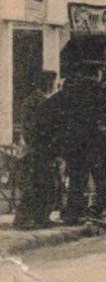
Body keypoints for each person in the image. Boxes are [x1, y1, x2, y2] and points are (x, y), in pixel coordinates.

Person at [57, 63, 106, 224]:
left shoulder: (69, 91)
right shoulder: (99, 90)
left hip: (75, 142)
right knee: (102, 177)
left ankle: (73, 211)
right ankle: (98, 209)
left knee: (77, 178)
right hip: (97, 141)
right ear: (97, 74)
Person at [14, 70, 63, 229]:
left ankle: (40, 217)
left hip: (43, 149)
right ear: (48, 83)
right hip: (39, 150)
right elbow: (31, 129)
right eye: (54, 83)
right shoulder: (36, 102)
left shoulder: (39, 100)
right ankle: (26, 219)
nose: (56, 86)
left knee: (45, 184)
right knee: (37, 184)